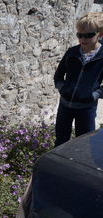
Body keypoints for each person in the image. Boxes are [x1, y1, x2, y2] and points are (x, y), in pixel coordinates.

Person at [54, 12, 103, 147]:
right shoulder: (72, 52)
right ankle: (58, 167)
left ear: (100, 34)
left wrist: (94, 95)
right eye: (79, 35)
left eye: (88, 35)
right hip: (65, 105)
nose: (83, 39)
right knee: (60, 141)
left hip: (86, 108)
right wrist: (63, 88)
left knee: (84, 144)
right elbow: (58, 75)